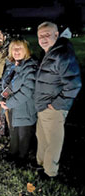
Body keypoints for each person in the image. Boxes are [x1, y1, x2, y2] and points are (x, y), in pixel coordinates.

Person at [34, 21, 82, 178]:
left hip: (53, 108)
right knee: (42, 139)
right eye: (41, 35)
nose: (43, 38)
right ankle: (41, 165)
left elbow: (74, 84)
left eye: (47, 35)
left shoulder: (62, 54)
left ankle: (49, 172)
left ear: (56, 35)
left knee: (54, 142)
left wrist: (57, 105)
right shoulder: (49, 52)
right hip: (43, 106)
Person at [0, 38, 37, 163]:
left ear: (26, 50)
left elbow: (27, 91)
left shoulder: (30, 67)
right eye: (14, 48)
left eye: (20, 48)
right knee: (13, 131)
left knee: (23, 134)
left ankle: (21, 158)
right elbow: (1, 84)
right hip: (11, 107)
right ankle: (12, 153)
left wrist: (8, 103)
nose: (16, 51)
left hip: (24, 107)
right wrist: (0, 99)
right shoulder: (10, 65)